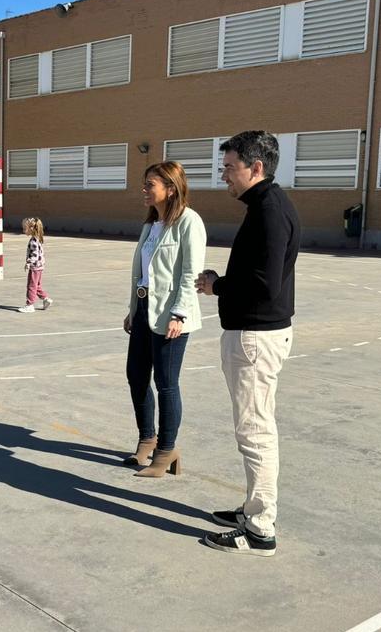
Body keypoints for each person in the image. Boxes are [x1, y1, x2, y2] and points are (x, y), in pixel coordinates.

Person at [195, 130, 300, 557]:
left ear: (256, 168)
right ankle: (254, 509)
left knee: (255, 432)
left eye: (230, 168)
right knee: (257, 427)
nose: (225, 176)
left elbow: (264, 285)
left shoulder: (270, 212)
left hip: (256, 337)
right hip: (258, 334)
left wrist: (218, 285)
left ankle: (259, 529)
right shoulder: (267, 206)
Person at [123, 161, 207, 477]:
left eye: (150, 185)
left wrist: (180, 313)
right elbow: (142, 274)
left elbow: (190, 272)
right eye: (145, 184)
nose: (144, 190)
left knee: (166, 383)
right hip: (145, 310)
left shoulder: (189, 222)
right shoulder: (152, 224)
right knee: (136, 375)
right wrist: (133, 309)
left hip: (172, 315)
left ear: (170, 188)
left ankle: (167, 449)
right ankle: (148, 438)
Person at [18, 217, 52, 313]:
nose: (24, 230)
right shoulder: (38, 239)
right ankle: (46, 299)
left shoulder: (33, 241)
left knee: (31, 286)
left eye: (25, 228)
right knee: (37, 285)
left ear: (31, 229)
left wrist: (28, 263)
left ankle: (30, 305)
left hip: (35, 267)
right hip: (40, 267)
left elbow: (34, 255)